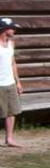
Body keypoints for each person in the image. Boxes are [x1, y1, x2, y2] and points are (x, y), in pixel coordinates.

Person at [0, 17, 23, 147]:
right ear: (4, 29)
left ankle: (9, 138)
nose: (14, 30)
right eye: (12, 28)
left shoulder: (11, 44)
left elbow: (13, 63)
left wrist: (18, 82)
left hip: (10, 83)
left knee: (11, 111)